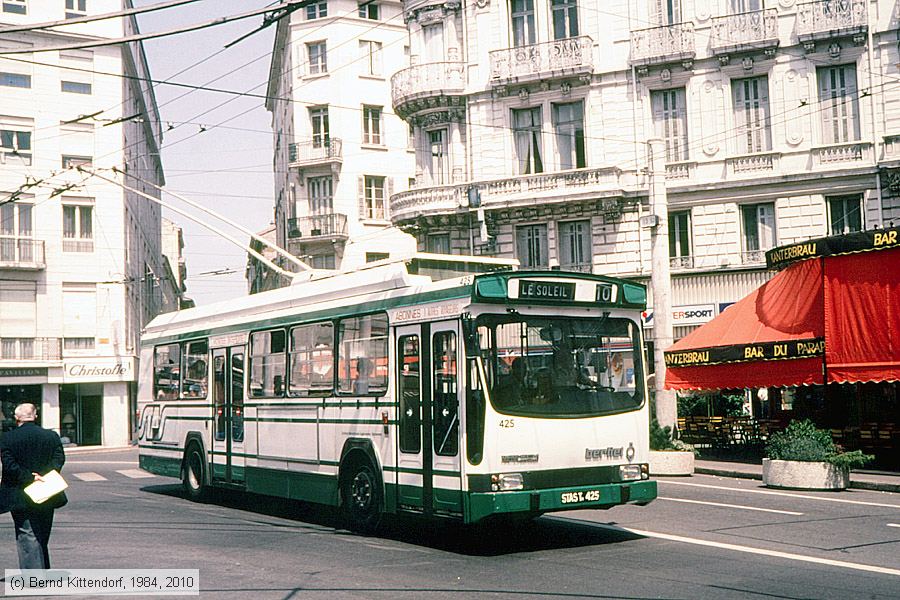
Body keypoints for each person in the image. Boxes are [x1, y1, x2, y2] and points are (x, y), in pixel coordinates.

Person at [0, 403, 67, 569]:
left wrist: (31, 477)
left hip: (20, 493)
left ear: (16, 418)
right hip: (47, 489)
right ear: (35, 416)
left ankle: (34, 576)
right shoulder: (51, 436)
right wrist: (44, 476)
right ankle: (42, 570)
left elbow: (10, 465)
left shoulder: (7, 438)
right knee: (42, 532)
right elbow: (59, 459)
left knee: (27, 533)